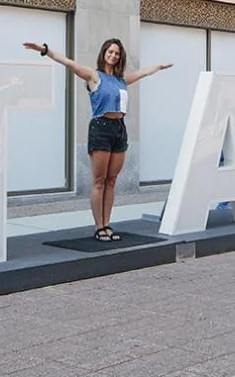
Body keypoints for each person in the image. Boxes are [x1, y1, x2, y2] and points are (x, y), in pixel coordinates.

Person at [24, 39, 172, 242]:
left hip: (120, 128)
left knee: (112, 181)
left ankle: (108, 223)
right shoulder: (94, 76)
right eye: (110, 52)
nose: (113, 56)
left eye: (117, 53)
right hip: (101, 128)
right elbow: (68, 63)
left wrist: (159, 67)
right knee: (99, 181)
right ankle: (99, 226)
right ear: (104, 53)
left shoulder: (122, 80)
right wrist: (45, 50)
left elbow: (143, 73)